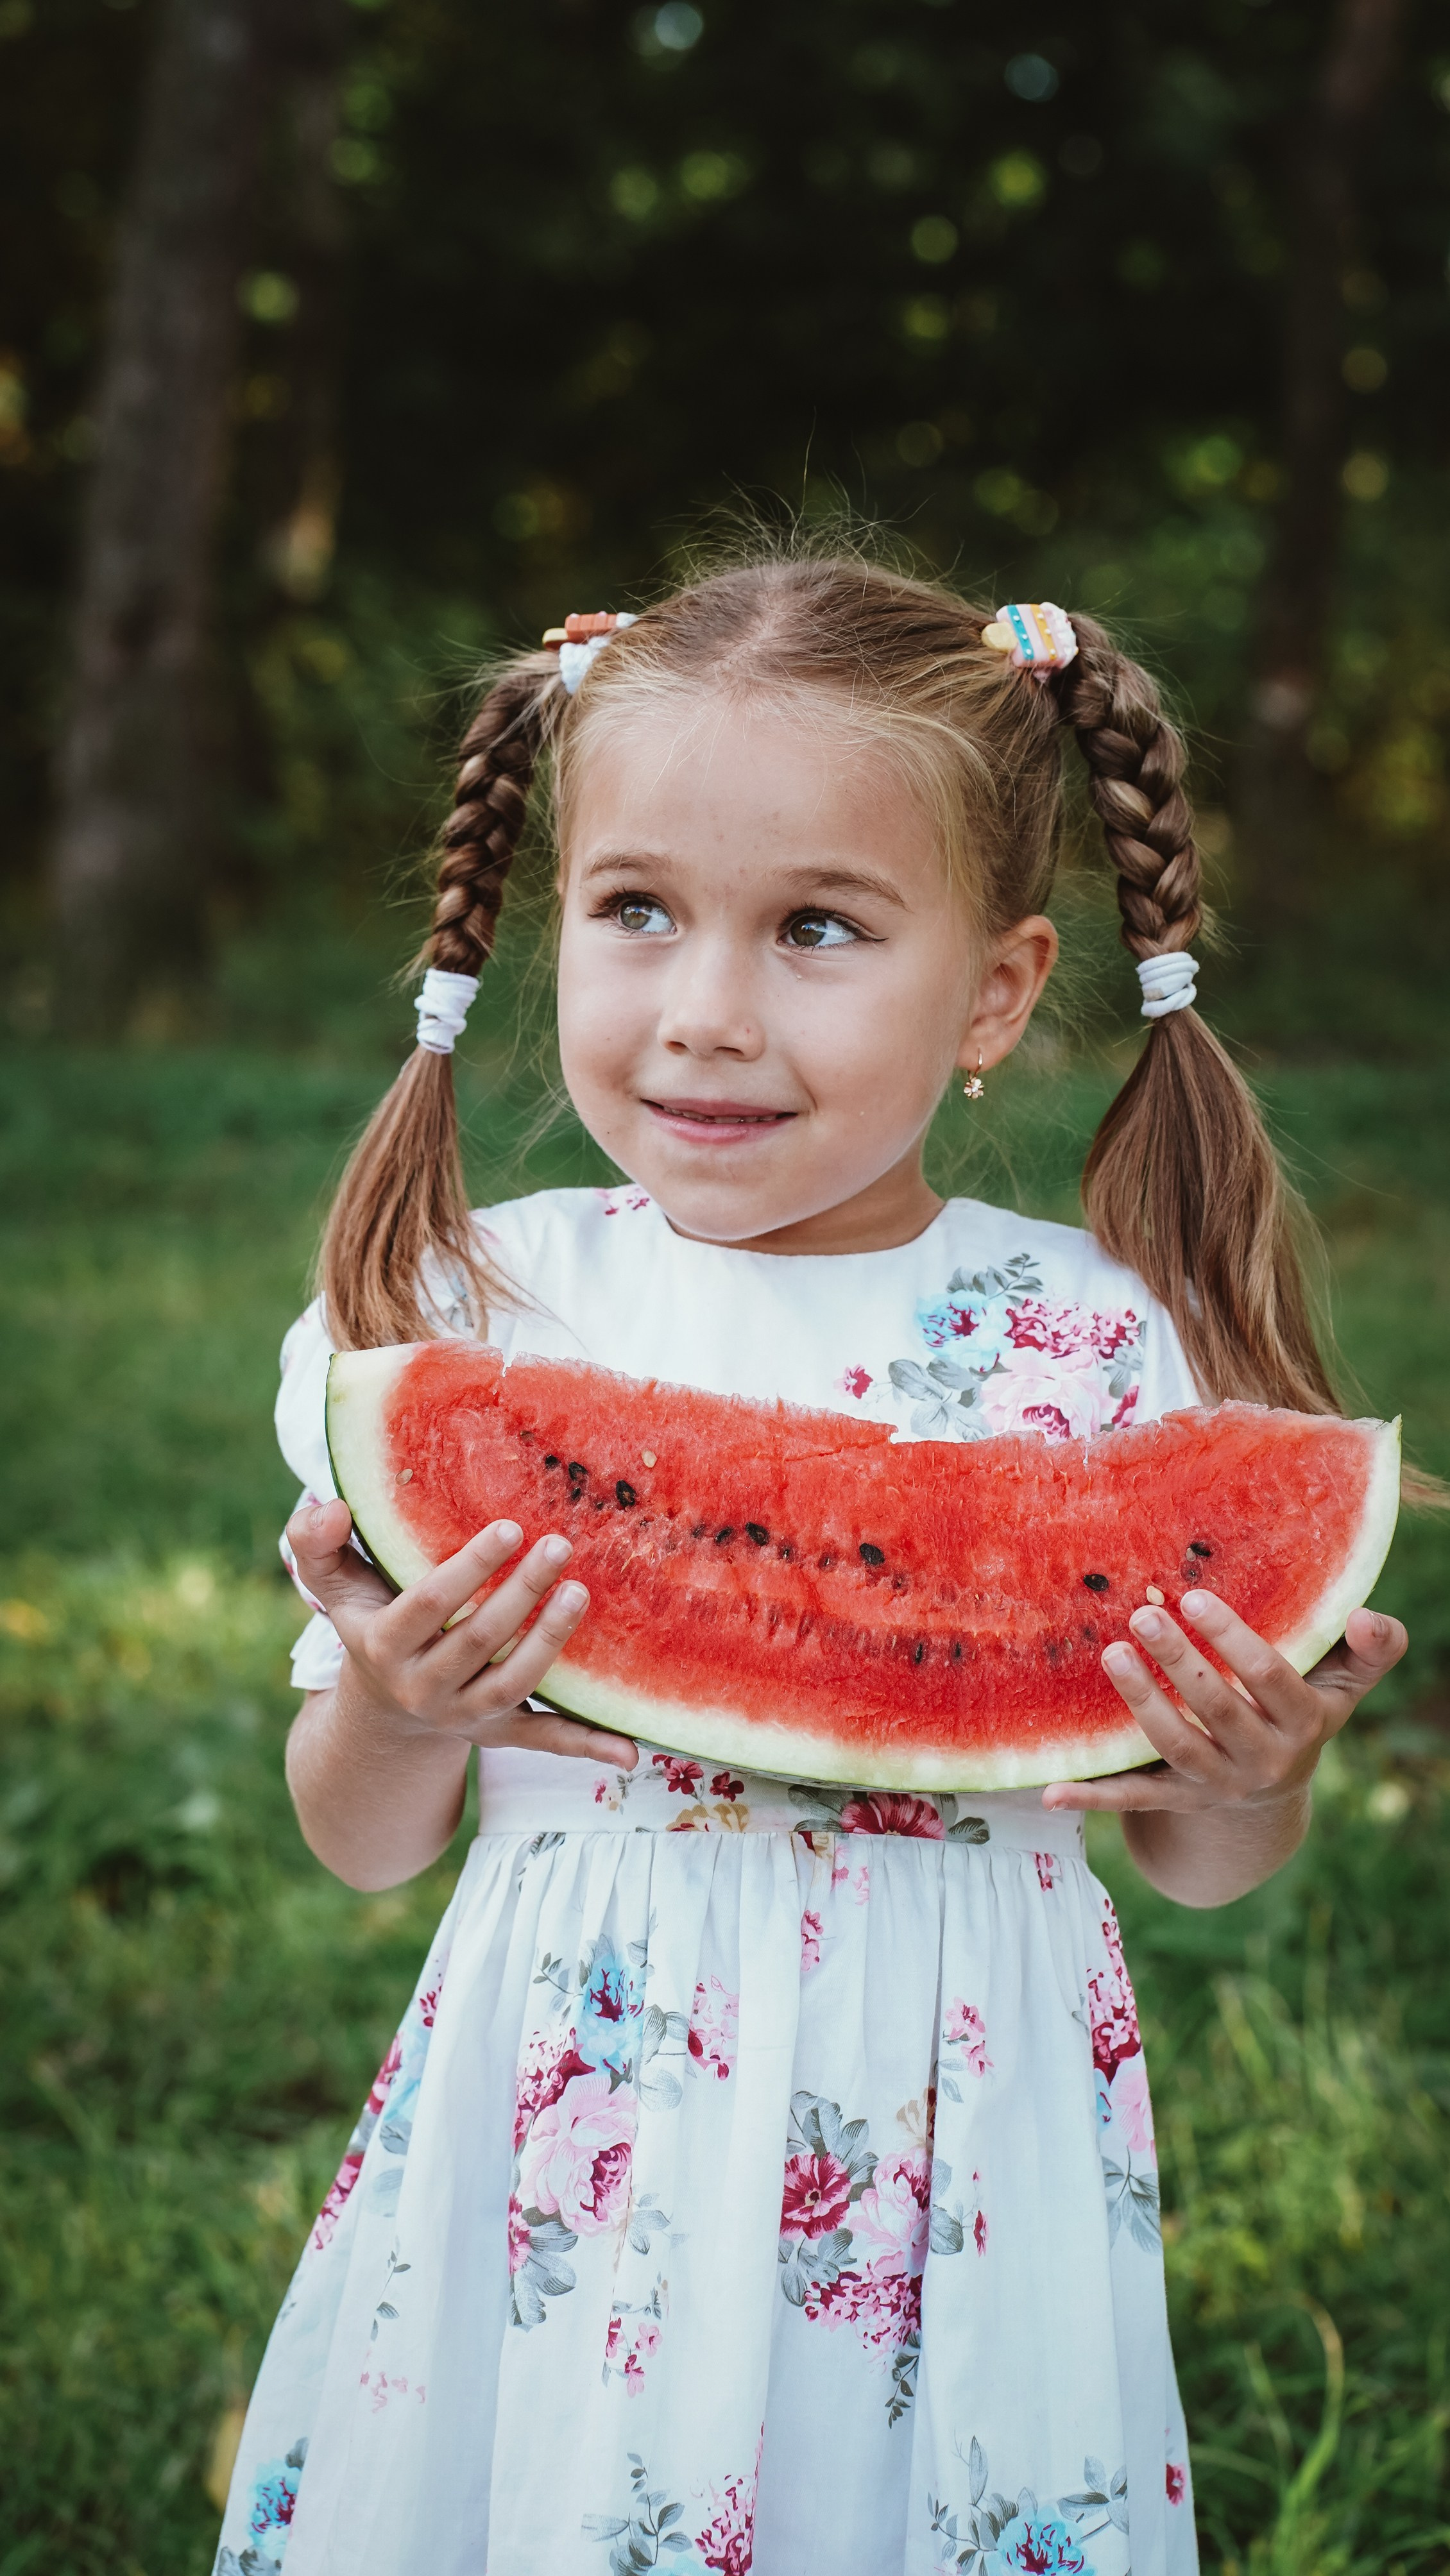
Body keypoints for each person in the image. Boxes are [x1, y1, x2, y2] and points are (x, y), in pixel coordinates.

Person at [214, 557, 1406, 2576]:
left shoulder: (1102, 1342)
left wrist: (1249, 1773)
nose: (706, 1013)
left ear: (998, 994)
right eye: (638, 914)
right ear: (551, 924)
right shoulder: (467, 1317)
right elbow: (358, 1838)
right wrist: (403, 1712)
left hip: (959, 2133)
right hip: (577, 2126)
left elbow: (1200, 1863)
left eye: (818, 932)